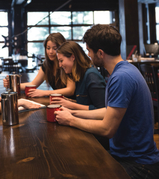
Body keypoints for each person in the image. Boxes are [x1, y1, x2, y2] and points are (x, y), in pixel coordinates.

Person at [55, 25, 159, 179]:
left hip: (139, 164)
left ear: (100, 53)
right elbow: (109, 111)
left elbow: (107, 129)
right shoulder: (123, 71)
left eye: (89, 51)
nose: (89, 56)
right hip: (128, 156)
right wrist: (73, 112)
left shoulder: (121, 77)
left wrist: (70, 120)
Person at [3, 33, 75, 97]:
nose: (50, 52)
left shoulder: (66, 64)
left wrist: (44, 93)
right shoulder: (47, 65)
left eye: (55, 48)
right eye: (48, 48)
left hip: (74, 103)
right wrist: (12, 84)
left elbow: (70, 90)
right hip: (62, 102)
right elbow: (33, 84)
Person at [51, 40, 106, 110]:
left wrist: (70, 105)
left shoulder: (91, 76)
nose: (59, 65)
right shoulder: (79, 75)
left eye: (61, 61)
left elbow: (102, 109)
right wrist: (68, 101)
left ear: (73, 57)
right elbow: (85, 102)